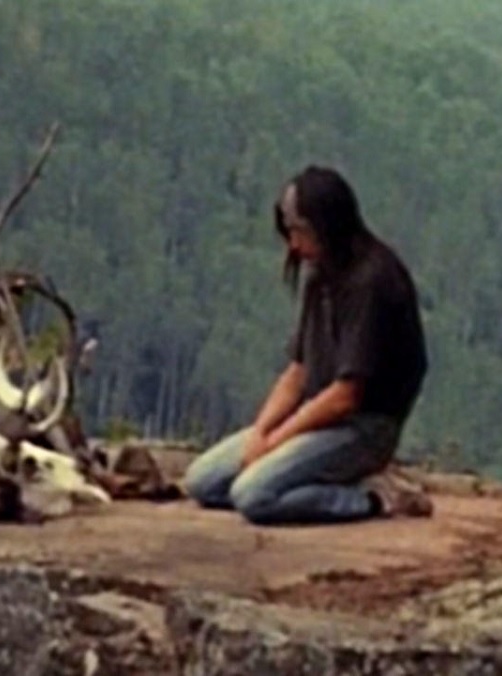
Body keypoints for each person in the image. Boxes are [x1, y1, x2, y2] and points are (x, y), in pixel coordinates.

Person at [182, 165, 432, 524]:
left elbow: (346, 395)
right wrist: (261, 432)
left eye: (300, 232)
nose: (294, 246)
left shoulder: (372, 281)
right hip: (316, 419)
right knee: (203, 482)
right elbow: (297, 372)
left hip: (361, 428)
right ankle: (308, 477)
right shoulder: (321, 274)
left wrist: (277, 441)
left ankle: (373, 498)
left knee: (253, 496)